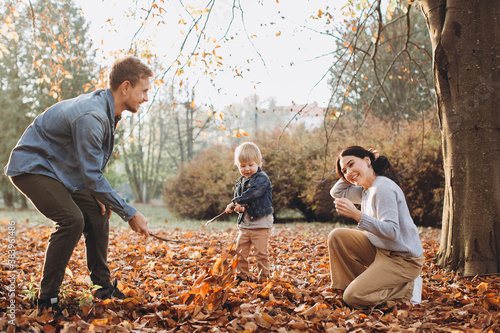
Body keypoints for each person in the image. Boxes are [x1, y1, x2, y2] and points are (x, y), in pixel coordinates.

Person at [4, 55, 152, 312]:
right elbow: (93, 176)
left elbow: (89, 171)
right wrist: (129, 213)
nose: (146, 98)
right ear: (125, 87)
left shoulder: (107, 112)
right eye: (144, 91)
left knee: (98, 212)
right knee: (72, 220)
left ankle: (102, 288)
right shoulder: (92, 117)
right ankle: (47, 299)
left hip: (58, 169)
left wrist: (97, 193)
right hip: (32, 167)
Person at [328, 146, 424, 308]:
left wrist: (357, 215)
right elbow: (336, 192)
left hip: (402, 259)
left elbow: (392, 232)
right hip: (381, 250)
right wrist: (351, 173)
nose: (347, 172)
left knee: (353, 297)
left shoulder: (382, 188)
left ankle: (410, 288)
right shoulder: (365, 189)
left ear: (367, 160)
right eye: (344, 171)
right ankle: (359, 284)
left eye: (351, 164)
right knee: (337, 236)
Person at [225, 142, 274, 283]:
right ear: (238, 166)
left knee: (260, 253)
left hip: (260, 224)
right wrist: (238, 208)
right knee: (240, 252)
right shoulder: (240, 183)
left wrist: (236, 202)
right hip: (245, 225)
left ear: (259, 163)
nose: (247, 169)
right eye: (242, 165)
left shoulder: (262, 179)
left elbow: (253, 194)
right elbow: (243, 203)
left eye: (250, 165)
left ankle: (264, 278)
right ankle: (242, 276)